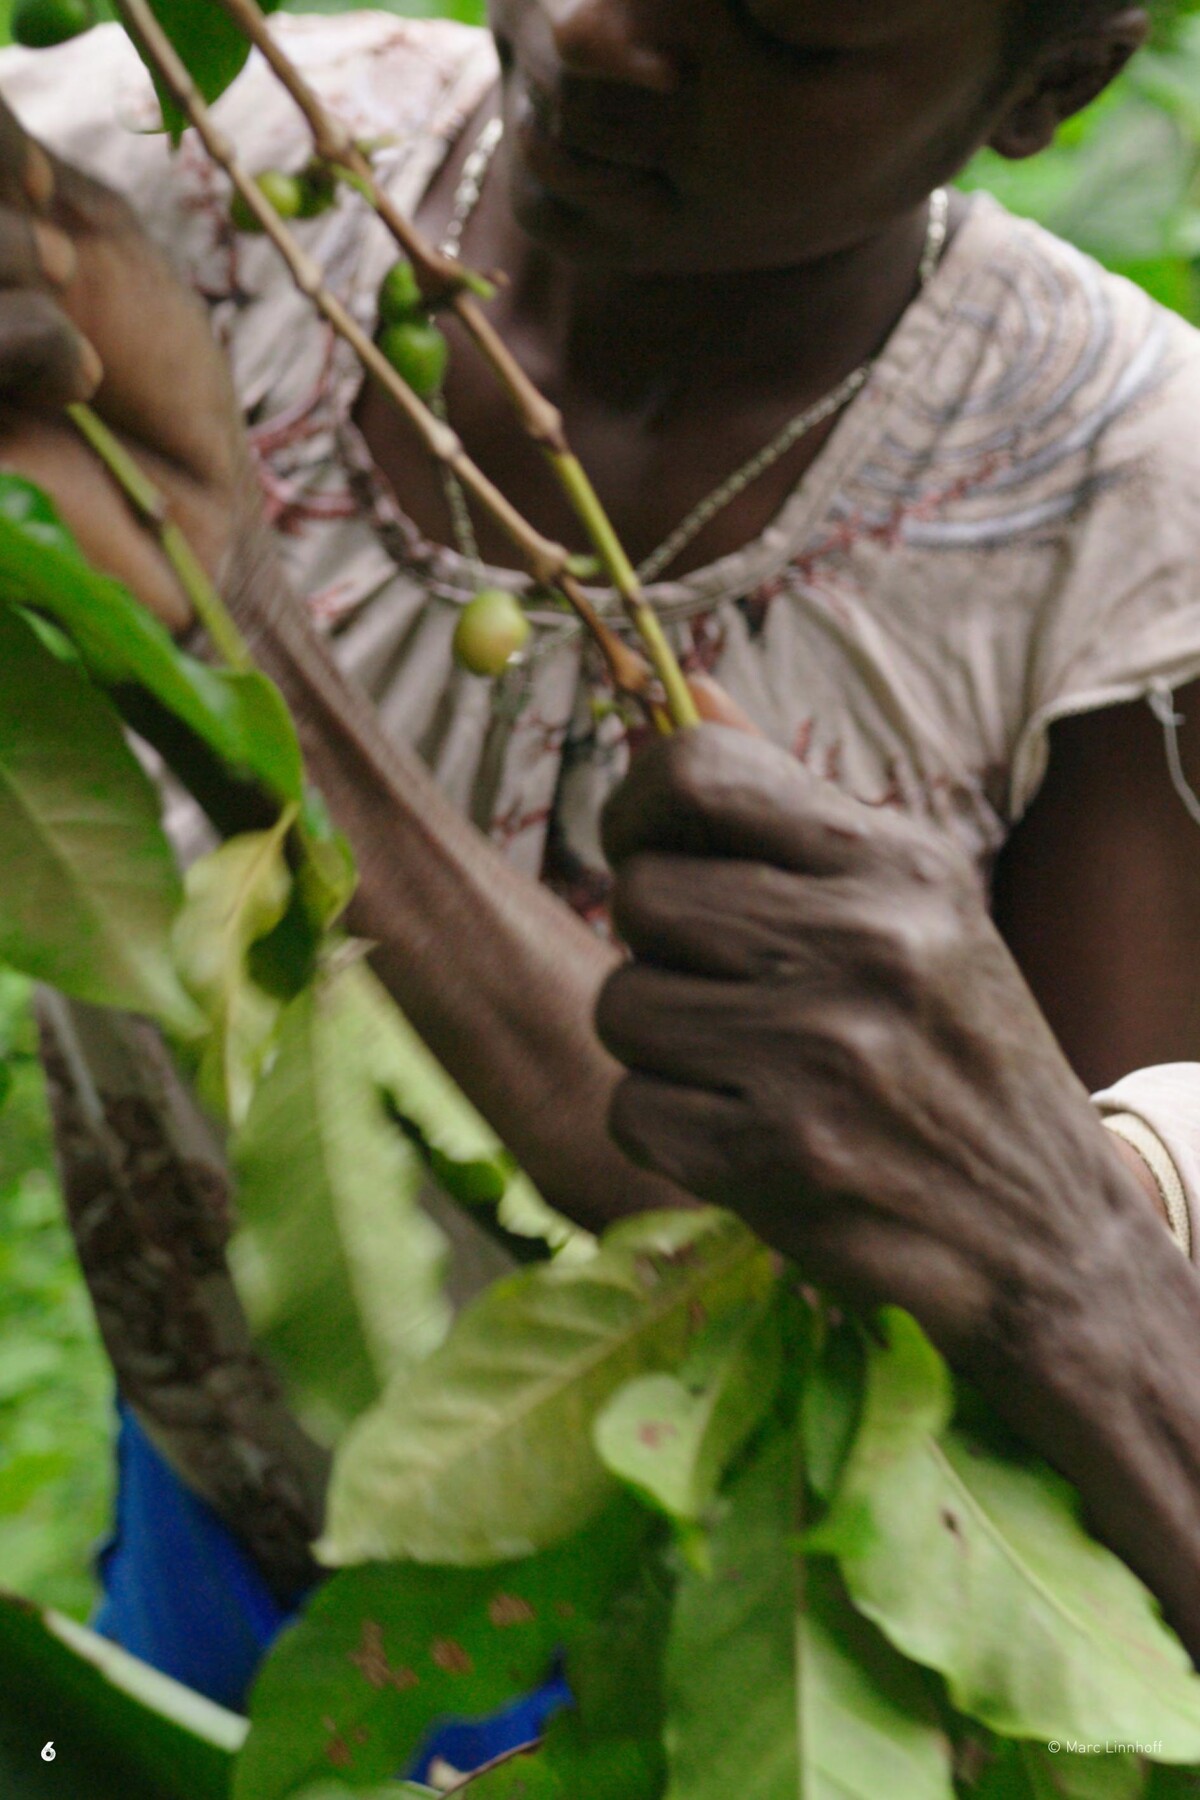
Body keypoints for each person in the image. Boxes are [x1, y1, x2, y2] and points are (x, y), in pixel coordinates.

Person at [0, 0, 1199, 1724]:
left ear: (1053, 84)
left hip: (678, 1635)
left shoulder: (1130, 522)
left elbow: (998, 1275)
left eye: (787, 36)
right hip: (219, 1472)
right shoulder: (185, 167)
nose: (589, 34)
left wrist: (246, 620)